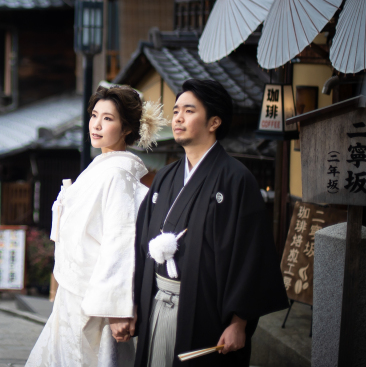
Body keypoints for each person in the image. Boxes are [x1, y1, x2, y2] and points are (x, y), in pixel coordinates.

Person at [133, 79, 288, 367]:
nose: (178, 117)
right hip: (157, 301)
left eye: (189, 111)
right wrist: (132, 304)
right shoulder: (165, 178)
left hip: (207, 311)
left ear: (214, 121)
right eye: (176, 110)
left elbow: (251, 255)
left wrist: (239, 323)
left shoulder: (236, 179)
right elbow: (141, 243)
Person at [26, 85, 167, 367]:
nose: (97, 125)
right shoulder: (101, 167)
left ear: (127, 128)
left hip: (94, 299)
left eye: (108, 118)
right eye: (94, 115)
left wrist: (118, 309)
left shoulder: (117, 174)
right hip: (76, 291)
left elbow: (120, 242)